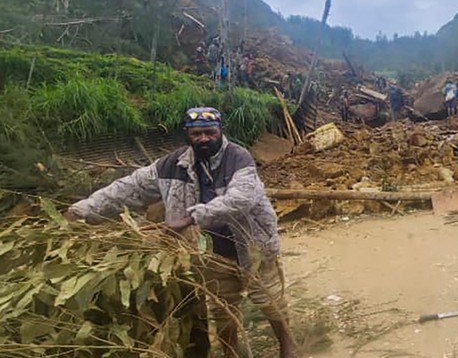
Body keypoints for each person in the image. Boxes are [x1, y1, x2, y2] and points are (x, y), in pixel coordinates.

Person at [64, 107, 297, 358]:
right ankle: (231, 353)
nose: (204, 138)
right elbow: (128, 188)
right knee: (221, 306)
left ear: (220, 131)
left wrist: (189, 218)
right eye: (197, 134)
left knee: (269, 298)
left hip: (253, 246)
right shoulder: (170, 165)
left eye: (210, 132)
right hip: (210, 252)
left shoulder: (238, 158)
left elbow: (240, 200)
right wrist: (83, 210)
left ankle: (287, 346)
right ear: (187, 135)